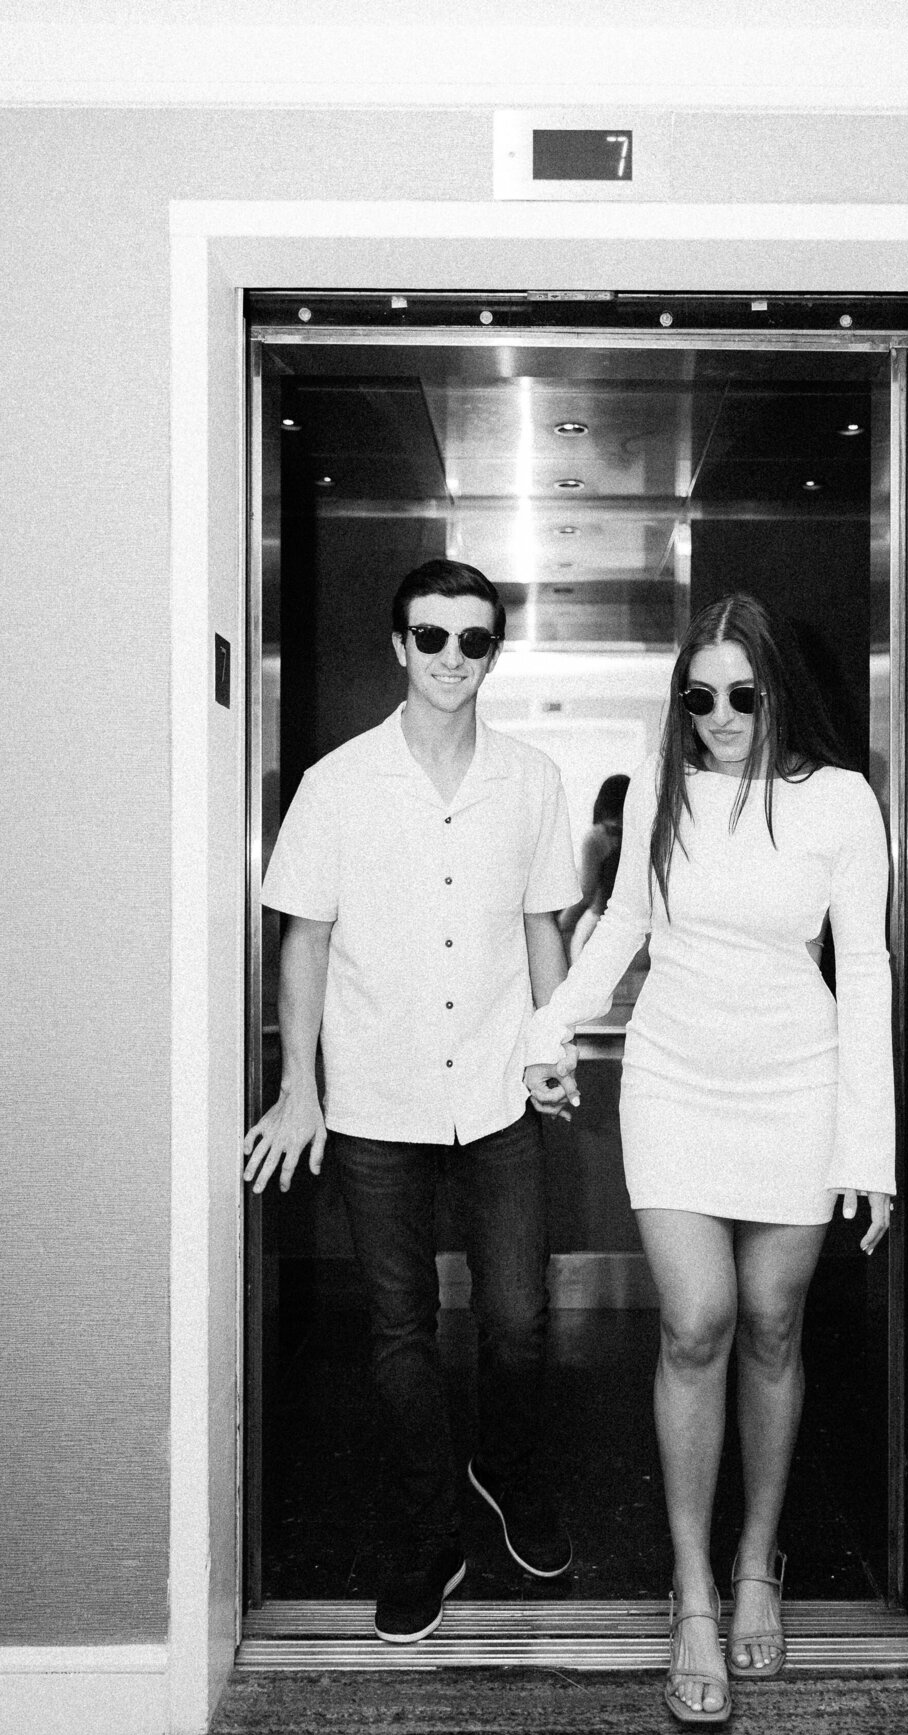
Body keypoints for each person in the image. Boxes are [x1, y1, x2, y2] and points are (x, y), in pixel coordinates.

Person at [523, 593, 895, 1725]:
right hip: (677, 1079)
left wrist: (867, 1148)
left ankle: (756, 1562)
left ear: (776, 688)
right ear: (679, 699)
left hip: (799, 1082)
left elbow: (865, 969)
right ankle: (690, 1587)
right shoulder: (659, 797)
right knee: (698, 1321)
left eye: (744, 692)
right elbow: (623, 926)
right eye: (701, 694)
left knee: (774, 1324)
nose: (723, 715)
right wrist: (547, 1029)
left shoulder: (838, 802)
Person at [243, 558, 581, 1647]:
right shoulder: (338, 783)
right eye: (430, 638)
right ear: (399, 646)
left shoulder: (530, 780)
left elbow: (544, 927)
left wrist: (550, 1039)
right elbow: (306, 937)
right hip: (377, 1101)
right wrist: (300, 1088)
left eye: (473, 641)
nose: (450, 659)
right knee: (400, 1333)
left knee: (522, 1326)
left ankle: (509, 1470)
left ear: (493, 652)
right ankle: (428, 1534)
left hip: (495, 1094)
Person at [557, 771, 630, 946]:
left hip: (603, 923)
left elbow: (586, 892)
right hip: (640, 929)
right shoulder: (640, 835)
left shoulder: (597, 837)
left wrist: (561, 925)